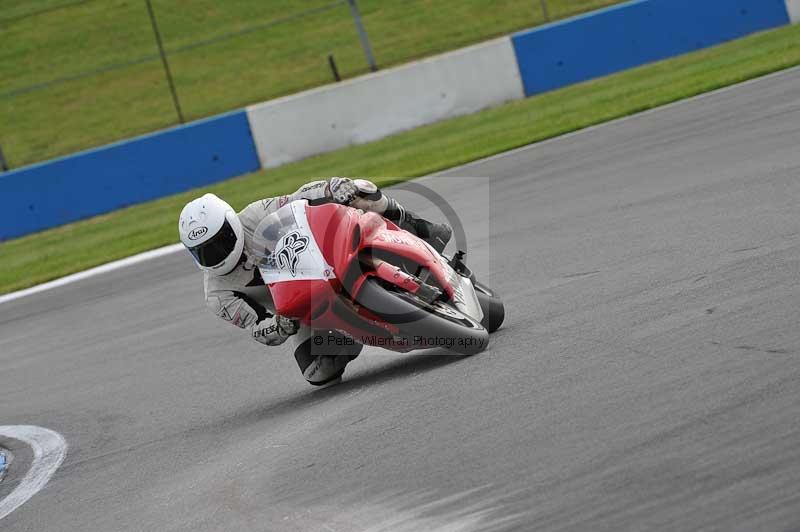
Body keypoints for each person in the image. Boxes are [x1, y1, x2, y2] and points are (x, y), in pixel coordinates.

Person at [178, 178, 451, 387]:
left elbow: (298, 198)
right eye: (203, 251)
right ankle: (349, 333)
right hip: (299, 308)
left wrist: (333, 187)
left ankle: (420, 228)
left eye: (219, 242)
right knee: (319, 374)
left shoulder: (253, 216)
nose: (215, 255)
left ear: (231, 223)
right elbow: (257, 327)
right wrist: (279, 325)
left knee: (359, 190)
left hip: (322, 254)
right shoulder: (218, 293)